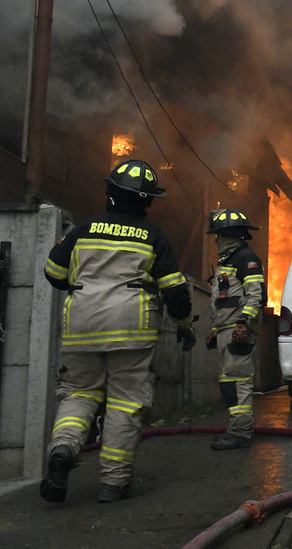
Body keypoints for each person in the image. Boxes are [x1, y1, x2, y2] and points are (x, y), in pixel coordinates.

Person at [40, 159, 194, 504]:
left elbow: (52, 272)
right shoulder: (153, 236)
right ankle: (113, 482)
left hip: (81, 325)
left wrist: (86, 286)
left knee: (79, 393)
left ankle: (63, 449)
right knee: (125, 401)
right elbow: (175, 291)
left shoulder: (82, 229)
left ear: (110, 193)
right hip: (131, 328)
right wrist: (184, 326)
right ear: (148, 202)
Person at [205, 208, 265, 451]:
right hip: (226, 330)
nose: (217, 240)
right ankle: (236, 429)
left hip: (237, 330)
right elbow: (222, 298)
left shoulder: (246, 258)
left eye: (219, 235)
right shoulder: (227, 262)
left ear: (228, 234)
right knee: (229, 383)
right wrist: (214, 329)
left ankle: (241, 433)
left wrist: (243, 324)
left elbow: (255, 296)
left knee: (238, 382)